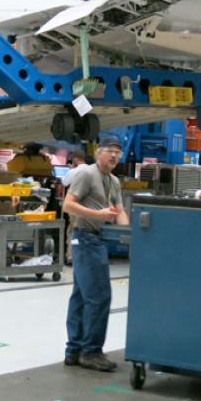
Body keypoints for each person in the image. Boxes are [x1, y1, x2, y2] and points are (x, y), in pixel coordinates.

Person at [62, 137, 129, 372]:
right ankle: (91, 351)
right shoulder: (87, 174)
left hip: (97, 240)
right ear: (98, 152)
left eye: (118, 153)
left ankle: (74, 350)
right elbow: (67, 205)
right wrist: (97, 214)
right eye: (110, 151)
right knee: (99, 297)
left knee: (81, 297)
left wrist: (130, 233)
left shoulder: (113, 181)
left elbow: (119, 212)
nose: (114, 156)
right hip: (85, 239)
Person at [62, 150, 90, 265]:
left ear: (75, 159)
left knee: (73, 231)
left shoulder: (74, 171)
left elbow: (64, 182)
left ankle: (71, 257)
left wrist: (70, 169)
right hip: (90, 207)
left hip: (76, 206)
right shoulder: (93, 170)